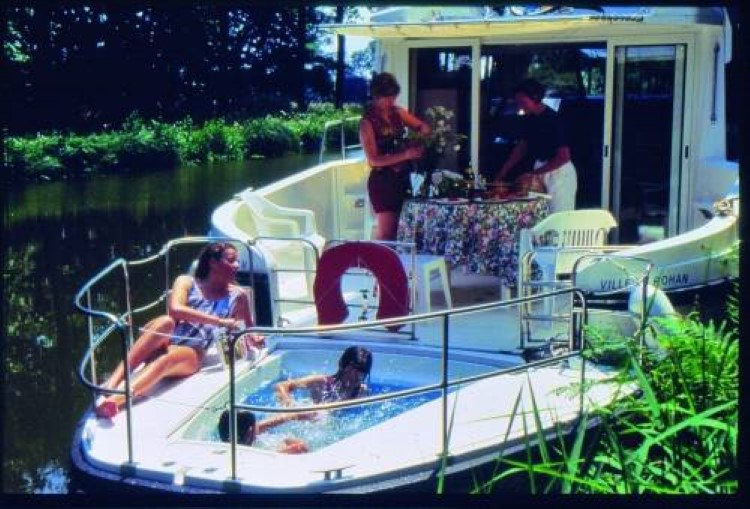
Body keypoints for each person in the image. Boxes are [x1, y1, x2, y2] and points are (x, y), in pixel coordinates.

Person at [96, 242, 264, 419]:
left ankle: (115, 401)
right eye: (231, 260)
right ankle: (112, 382)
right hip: (166, 338)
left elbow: (249, 331)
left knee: (165, 358)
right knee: (165, 322)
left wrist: (256, 339)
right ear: (213, 263)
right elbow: (175, 309)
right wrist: (220, 321)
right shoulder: (186, 281)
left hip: (193, 350)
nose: (237, 265)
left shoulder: (238, 296)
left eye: (237, 261)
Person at [360, 72, 431, 240]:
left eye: (393, 97)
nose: (391, 101)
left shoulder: (397, 113)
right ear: (376, 96)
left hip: (403, 178)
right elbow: (373, 160)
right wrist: (406, 154)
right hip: (383, 181)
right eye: (387, 98)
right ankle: (377, 257)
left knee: (402, 231)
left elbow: (423, 127)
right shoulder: (366, 123)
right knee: (387, 233)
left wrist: (419, 139)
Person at [493, 78, 578, 213]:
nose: (520, 106)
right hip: (540, 170)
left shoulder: (553, 120)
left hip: (559, 173)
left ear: (536, 97)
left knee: (559, 214)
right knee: (539, 215)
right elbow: (521, 148)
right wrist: (503, 172)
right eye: (518, 102)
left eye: (523, 102)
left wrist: (532, 174)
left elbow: (563, 157)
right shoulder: (529, 119)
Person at [274, 345, 373, 406]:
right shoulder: (321, 382)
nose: (355, 376)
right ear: (342, 365)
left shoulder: (362, 392)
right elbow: (282, 385)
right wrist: (289, 404)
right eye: (351, 370)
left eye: (361, 372)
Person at [217, 409, 313, 454]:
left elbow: (283, 417)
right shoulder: (256, 454)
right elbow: (301, 447)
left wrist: (299, 415)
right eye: (256, 424)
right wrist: (284, 444)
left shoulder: (229, 438)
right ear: (250, 432)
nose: (258, 425)